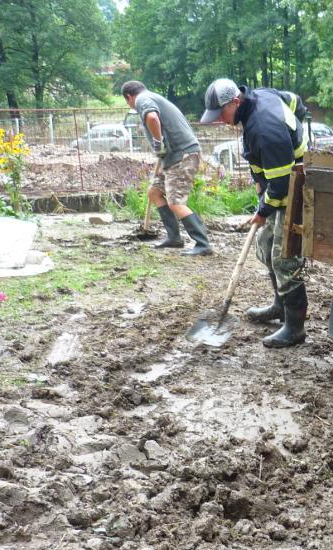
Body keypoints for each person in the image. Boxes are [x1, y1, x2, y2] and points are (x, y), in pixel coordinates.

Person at [200, 78, 308, 348]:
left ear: (235, 102)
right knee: (265, 244)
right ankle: (279, 306)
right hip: (279, 181)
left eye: (220, 114)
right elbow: (294, 100)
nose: (218, 120)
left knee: (284, 256)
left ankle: (295, 328)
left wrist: (262, 210)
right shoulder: (258, 97)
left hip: (296, 186)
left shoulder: (265, 128)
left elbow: (282, 183)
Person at [121, 81, 213, 256]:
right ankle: (174, 238)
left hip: (182, 155)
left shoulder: (142, 100)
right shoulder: (152, 96)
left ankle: (203, 244)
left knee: (176, 202)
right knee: (154, 192)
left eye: (128, 102)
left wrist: (158, 142)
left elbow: (153, 118)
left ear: (129, 97)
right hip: (175, 156)